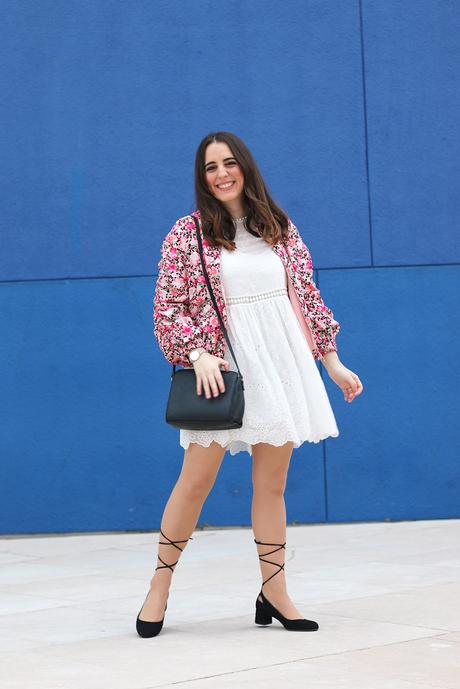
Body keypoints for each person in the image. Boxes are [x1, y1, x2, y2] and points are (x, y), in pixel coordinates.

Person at [136, 131, 363, 638]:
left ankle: (274, 591)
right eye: (211, 167)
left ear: (246, 168)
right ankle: (159, 586)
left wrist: (334, 363)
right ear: (202, 177)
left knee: (272, 484)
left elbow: (305, 300)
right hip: (225, 371)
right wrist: (197, 353)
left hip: (280, 364)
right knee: (194, 483)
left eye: (229, 163)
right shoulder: (187, 234)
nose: (221, 174)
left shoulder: (279, 227)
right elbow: (166, 308)